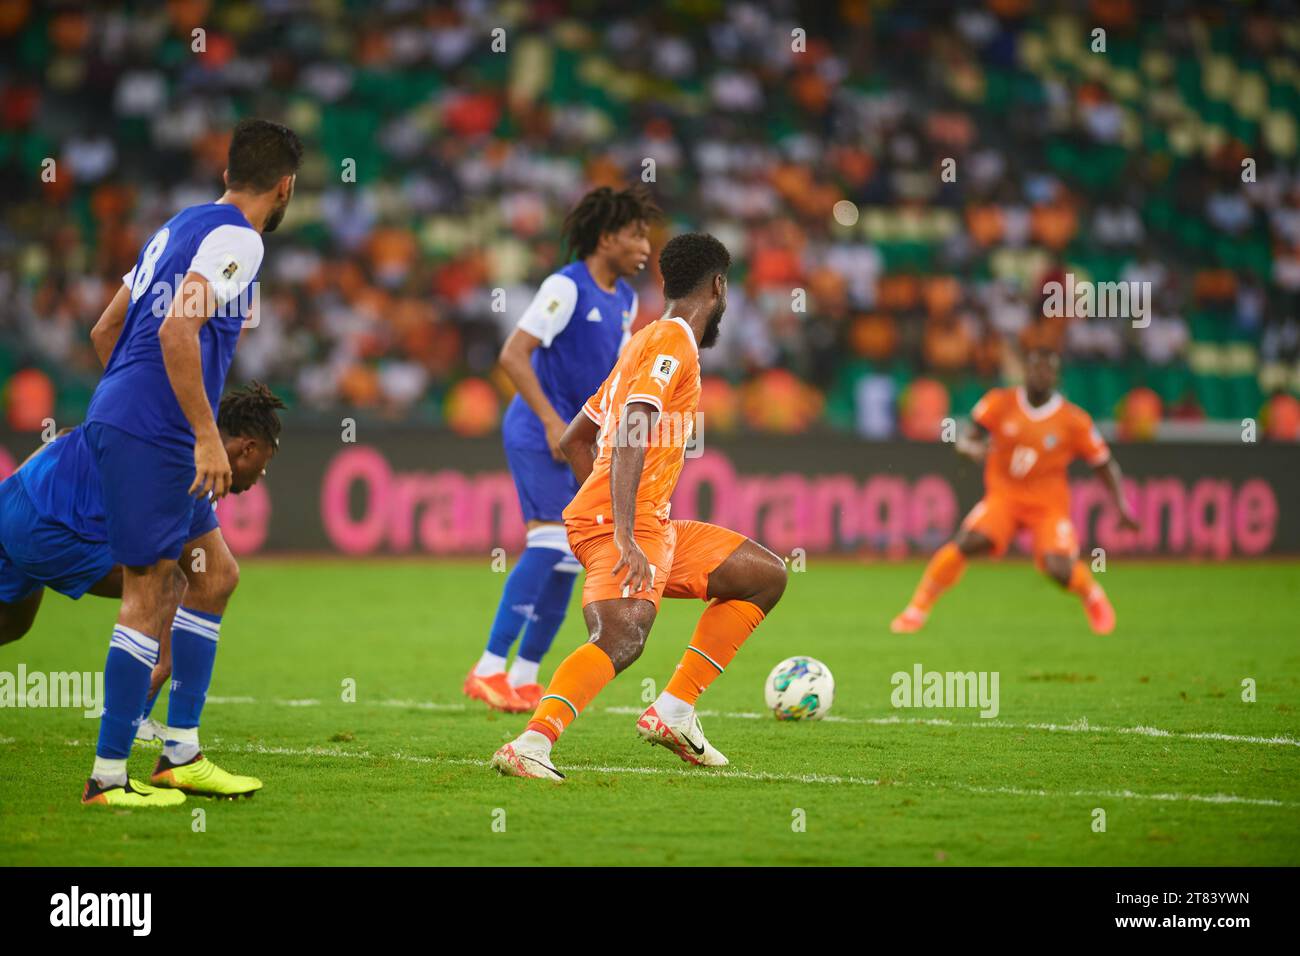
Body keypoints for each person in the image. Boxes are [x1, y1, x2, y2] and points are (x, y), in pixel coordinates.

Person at [492, 233, 788, 781]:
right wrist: (620, 530)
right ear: (719, 286)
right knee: (623, 635)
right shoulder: (672, 343)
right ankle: (531, 742)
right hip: (628, 522)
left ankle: (674, 711)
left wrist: (603, 503)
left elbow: (575, 439)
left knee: (763, 576)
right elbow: (630, 431)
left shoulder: (642, 342)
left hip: (648, 519)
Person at [78, 118, 301, 807]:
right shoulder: (241, 239)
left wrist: (130, 398)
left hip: (143, 418)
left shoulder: (178, 226)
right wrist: (204, 435)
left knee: (215, 576)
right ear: (285, 185)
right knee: (150, 595)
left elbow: (105, 329)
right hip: (162, 431)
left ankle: (181, 753)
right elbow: (180, 326)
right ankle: (108, 778)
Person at [465, 186, 659, 713]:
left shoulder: (626, 300)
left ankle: (525, 676)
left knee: (571, 561)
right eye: (636, 234)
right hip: (537, 431)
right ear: (606, 237)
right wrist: (554, 423)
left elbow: (610, 374)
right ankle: (487, 668)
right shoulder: (566, 287)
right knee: (549, 544)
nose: (646, 245)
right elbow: (513, 355)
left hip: (575, 439)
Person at [890, 348, 1139, 637]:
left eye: (1048, 369)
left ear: (1056, 376)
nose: (1040, 374)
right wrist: (971, 450)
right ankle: (916, 609)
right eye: (1035, 367)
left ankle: (1093, 597)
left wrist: (1122, 506)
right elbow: (966, 441)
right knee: (969, 541)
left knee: (1057, 567)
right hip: (1004, 497)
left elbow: (1103, 463)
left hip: (1048, 505)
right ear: (1025, 371)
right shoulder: (999, 403)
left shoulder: (1074, 421)